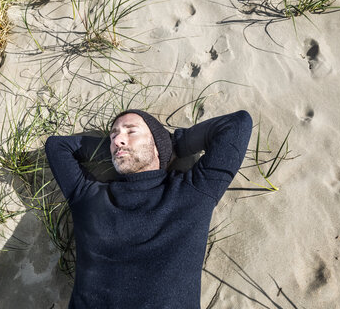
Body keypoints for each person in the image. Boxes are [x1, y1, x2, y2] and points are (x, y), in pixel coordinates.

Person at [45, 109, 252, 309]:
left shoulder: (193, 192)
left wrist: (170, 144)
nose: (117, 140)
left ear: (156, 143)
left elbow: (237, 124)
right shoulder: (89, 197)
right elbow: (57, 147)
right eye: (113, 136)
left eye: (131, 131)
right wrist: (121, 150)